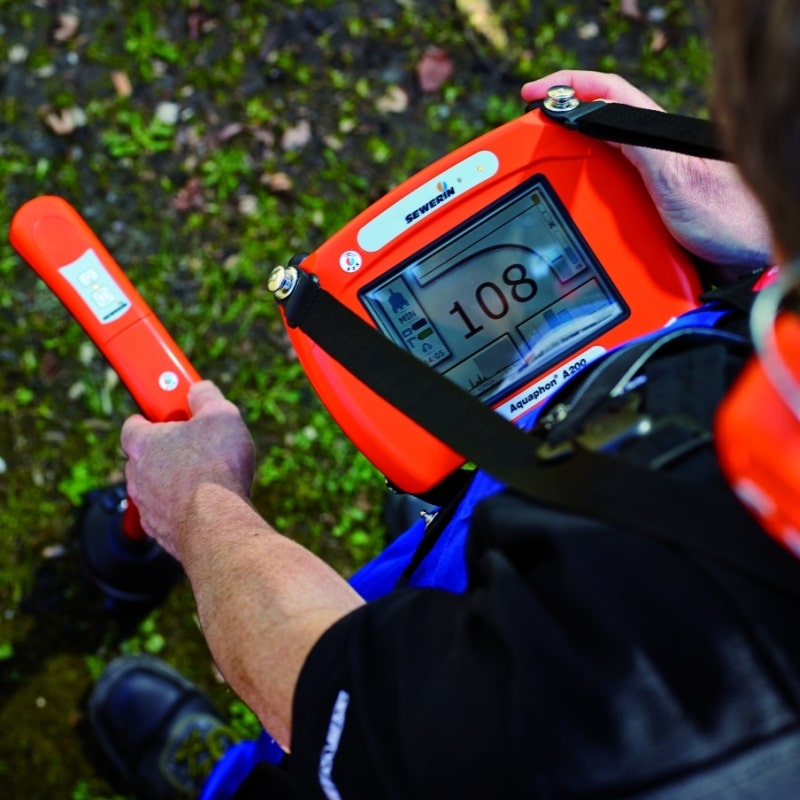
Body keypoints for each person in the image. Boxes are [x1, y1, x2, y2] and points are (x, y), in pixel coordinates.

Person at [87, 1, 800, 797]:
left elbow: (330, 694)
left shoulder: (642, 709)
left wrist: (199, 505)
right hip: (559, 469)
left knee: (304, 758)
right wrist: (771, 240)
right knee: (445, 551)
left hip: (405, 728)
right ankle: (465, 533)